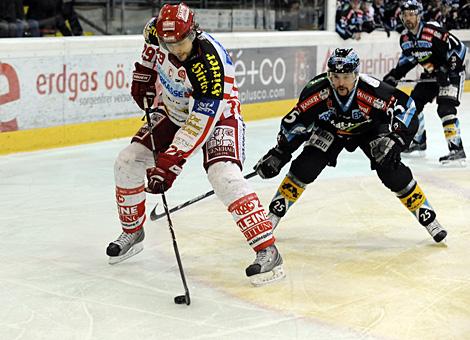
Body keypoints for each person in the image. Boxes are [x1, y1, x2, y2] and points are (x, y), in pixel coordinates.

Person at [106, 3, 284, 286]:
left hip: (218, 116)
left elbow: (200, 122)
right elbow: (151, 54)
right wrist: (143, 75)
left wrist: (169, 163)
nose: (175, 49)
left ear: (193, 31)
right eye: (169, 43)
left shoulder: (208, 64)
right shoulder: (155, 32)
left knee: (223, 175)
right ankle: (132, 232)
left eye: (181, 42)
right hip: (173, 110)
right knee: (127, 160)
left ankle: (267, 249)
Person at [254, 48, 447, 243]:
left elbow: (407, 108)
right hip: (331, 131)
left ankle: (428, 218)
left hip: (369, 130)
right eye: (335, 76)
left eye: (346, 76)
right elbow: (296, 123)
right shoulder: (317, 91)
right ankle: (273, 217)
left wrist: (396, 139)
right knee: (306, 165)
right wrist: (280, 152)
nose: (340, 82)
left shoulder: (373, 90)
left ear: (356, 74)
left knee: (390, 167)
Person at [383, 0, 466, 165]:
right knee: (413, 104)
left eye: (411, 14)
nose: (408, 18)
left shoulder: (432, 31)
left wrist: (448, 70)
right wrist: (393, 76)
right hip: (431, 76)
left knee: (445, 109)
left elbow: (459, 49)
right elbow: (408, 60)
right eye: (405, 15)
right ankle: (419, 142)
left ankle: (457, 150)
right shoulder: (406, 38)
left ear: (419, 15)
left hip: (452, 75)